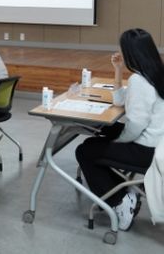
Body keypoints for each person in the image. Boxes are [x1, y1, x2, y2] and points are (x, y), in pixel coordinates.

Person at [75, 28, 164, 231]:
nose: (121, 53)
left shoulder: (139, 81)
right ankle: (124, 193)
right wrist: (118, 70)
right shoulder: (155, 73)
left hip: (146, 150)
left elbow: (135, 125)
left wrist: (118, 141)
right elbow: (119, 100)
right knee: (104, 131)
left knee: (85, 150)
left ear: (131, 53)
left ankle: (120, 201)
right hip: (157, 143)